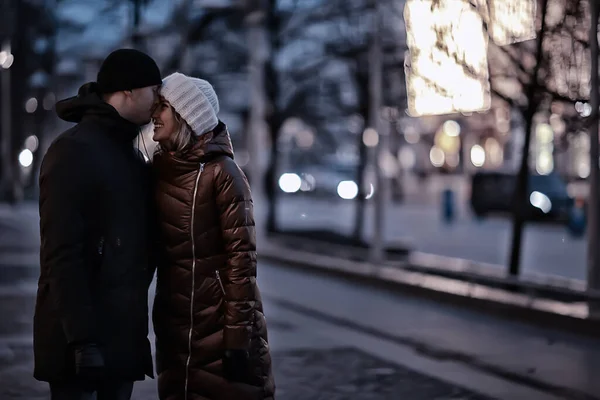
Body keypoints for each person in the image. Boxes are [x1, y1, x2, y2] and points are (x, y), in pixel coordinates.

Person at [34, 48, 162, 400]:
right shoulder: (74, 150)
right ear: (128, 91)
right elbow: (62, 253)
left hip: (121, 338)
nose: (159, 100)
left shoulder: (130, 149)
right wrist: (82, 340)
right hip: (79, 345)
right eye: (154, 90)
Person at [151, 72, 275, 400]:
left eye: (162, 107)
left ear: (185, 116)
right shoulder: (158, 172)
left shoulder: (224, 174)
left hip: (219, 331)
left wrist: (236, 340)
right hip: (175, 332)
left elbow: (242, 264)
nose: (154, 115)